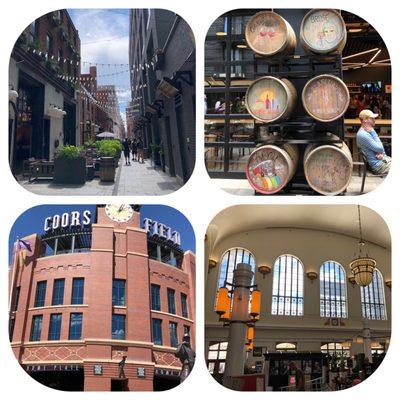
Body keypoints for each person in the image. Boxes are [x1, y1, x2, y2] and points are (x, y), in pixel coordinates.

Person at [356, 109, 391, 175]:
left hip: (382, 161)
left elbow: (380, 150)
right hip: (379, 165)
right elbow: (380, 148)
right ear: (365, 119)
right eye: (372, 118)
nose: (374, 120)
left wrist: (381, 153)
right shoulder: (364, 134)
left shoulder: (366, 132)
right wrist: (373, 132)